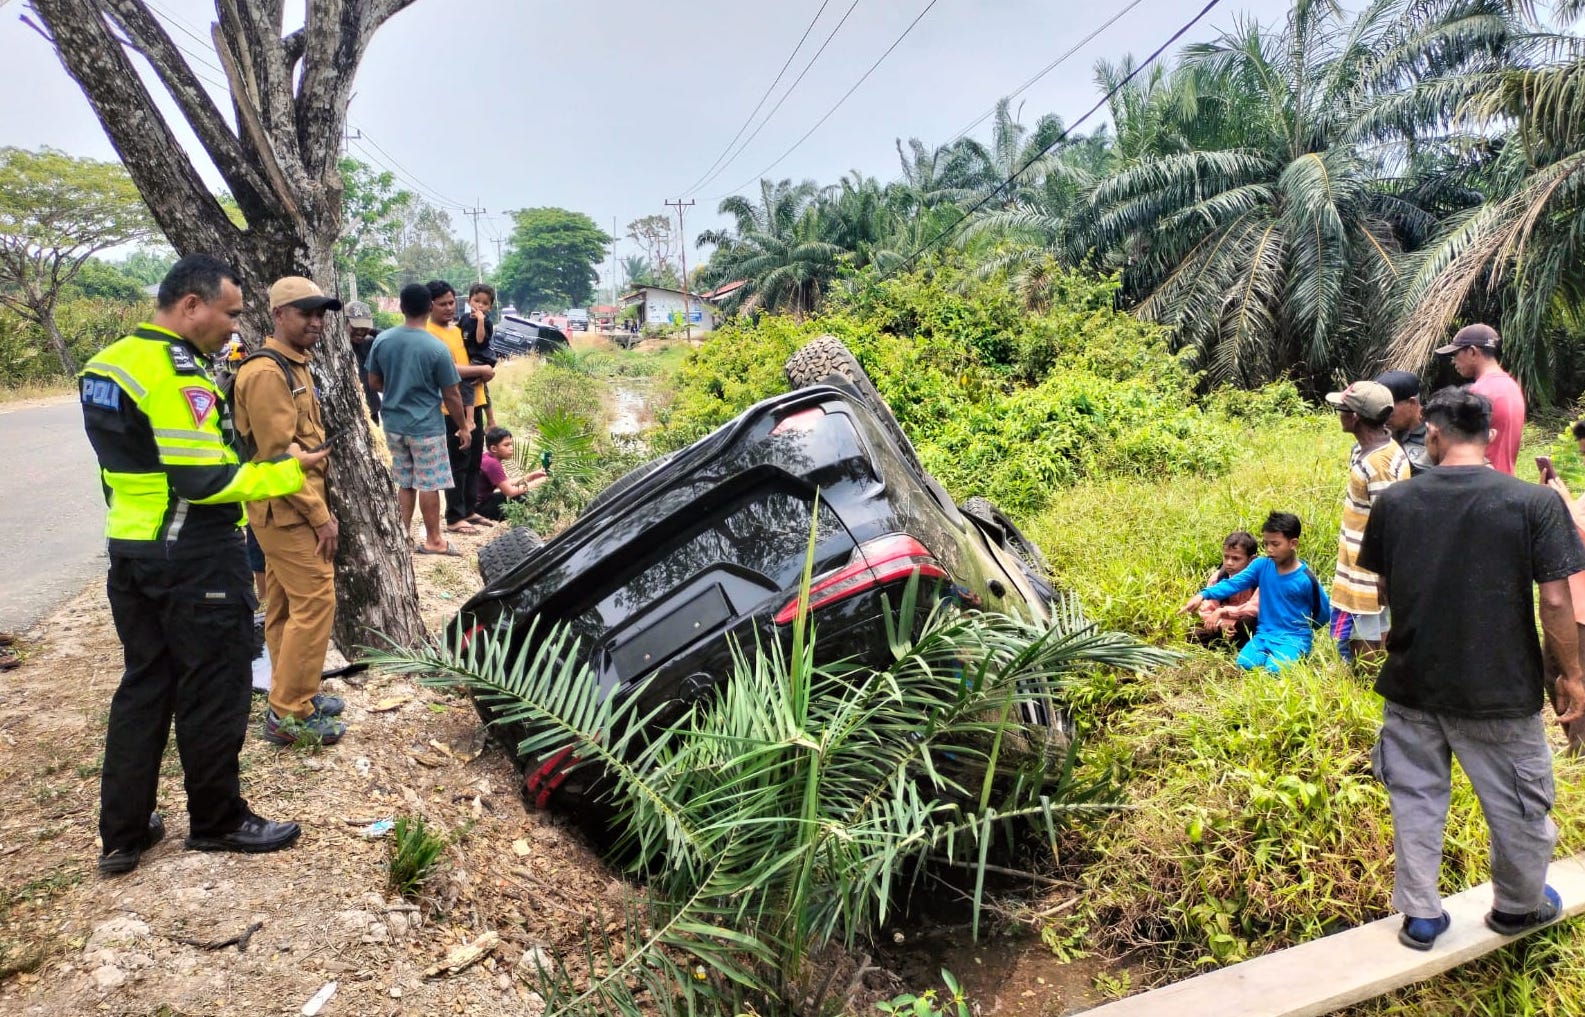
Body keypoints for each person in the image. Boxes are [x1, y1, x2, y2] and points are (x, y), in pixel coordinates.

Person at [79, 254, 325, 875]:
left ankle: (124, 831)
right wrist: (294, 469)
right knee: (214, 687)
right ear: (191, 305)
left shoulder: (105, 364)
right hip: (192, 556)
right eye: (231, 312)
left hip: (131, 550)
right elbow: (203, 477)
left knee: (145, 684)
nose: (235, 328)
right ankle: (218, 821)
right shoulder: (175, 374)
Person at [1357, 387, 1585, 950]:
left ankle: (1422, 916)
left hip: (1413, 682)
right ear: (1489, 436)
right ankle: (1518, 906)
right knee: (1519, 804)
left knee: (1415, 799)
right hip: (1500, 687)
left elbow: (1385, 587)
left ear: (1432, 434)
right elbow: (1555, 602)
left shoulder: (1396, 503)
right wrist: (1573, 676)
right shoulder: (1533, 503)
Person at [233, 277, 347, 747]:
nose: (316, 321)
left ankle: (291, 691)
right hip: (288, 509)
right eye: (306, 313)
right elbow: (277, 457)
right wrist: (320, 515)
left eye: (321, 313)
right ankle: (288, 713)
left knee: (283, 604)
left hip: (290, 506)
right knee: (317, 600)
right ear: (279, 314)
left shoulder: (293, 365)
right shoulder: (265, 373)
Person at [366, 283, 469, 556]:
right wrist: (463, 427)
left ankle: (402, 536)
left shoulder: (383, 340)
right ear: (428, 308)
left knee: (406, 481)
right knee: (429, 482)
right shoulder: (436, 348)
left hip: (394, 424)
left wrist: (398, 386)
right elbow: (452, 394)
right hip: (426, 426)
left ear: (401, 307)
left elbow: (374, 380)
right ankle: (434, 539)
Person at [1325, 380, 1410, 663]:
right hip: (1354, 563)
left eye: (1342, 408)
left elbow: (1389, 521)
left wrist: (1384, 575)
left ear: (1355, 416)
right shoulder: (1370, 451)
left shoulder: (1378, 464)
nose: (1339, 413)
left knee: (1368, 636)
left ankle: (1365, 689)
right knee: (1351, 632)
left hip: (1369, 570)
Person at [1181, 512, 1328, 673]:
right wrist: (1202, 595)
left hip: (1294, 638)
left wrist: (1301, 631)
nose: (1269, 549)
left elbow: (1323, 614)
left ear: (1293, 543)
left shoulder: (1306, 578)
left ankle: (1296, 653)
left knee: (1275, 671)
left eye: (1275, 544)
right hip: (1263, 636)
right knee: (1245, 664)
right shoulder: (1261, 566)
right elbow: (1233, 583)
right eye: (1266, 544)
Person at [425, 281, 496, 534]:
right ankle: (454, 516)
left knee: (474, 459)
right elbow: (447, 370)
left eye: (451, 302)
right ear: (429, 305)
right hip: (449, 408)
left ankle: (469, 509)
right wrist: (482, 370)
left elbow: (478, 352)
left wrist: (485, 372)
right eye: (442, 304)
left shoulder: (456, 330)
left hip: (472, 401)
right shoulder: (428, 333)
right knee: (457, 461)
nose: (448, 308)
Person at [1540, 416, 1585, 754]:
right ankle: (1574, 743)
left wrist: (1566, 506)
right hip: (1572, 604)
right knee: (1552, 672)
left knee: (1578, 679)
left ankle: (1580, 752)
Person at [1438, 323, 1524, 475]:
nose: (1454, 362)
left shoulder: (1478, 393)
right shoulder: (1512, 386)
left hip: (1482, 485)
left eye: (1456, 354)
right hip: (1506, 481)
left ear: (1472, 352)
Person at [1190, 531, 1260, 648]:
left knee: (1248, 621)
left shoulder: (1261, 580)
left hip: (1249, 625)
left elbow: (1256, 608)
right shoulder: (1218, 578)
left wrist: (1228, 618)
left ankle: (1237, 645)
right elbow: (1208, 611)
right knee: (1192, 634)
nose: (1229, 563)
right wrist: (1221, 624)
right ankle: (1232, 644)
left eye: (1236, 558)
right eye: (1226, 557)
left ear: (1251, 559)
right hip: (1223, 627)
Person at [474, 427, 549, 521]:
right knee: (524, 496)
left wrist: (530, 476)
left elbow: (504, 482)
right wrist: (537, 483)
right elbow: (510, 492)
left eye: (511, 444)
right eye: (506, 445)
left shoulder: (487, 457)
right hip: (479, 508)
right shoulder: (492, 464)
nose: (511, 448)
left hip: (477, 504)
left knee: (521, 493)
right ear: (493, 448)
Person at [457, 283, 499, 429]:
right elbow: (456, 334)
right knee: (481, 387)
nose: (480, 305)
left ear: (490, 307)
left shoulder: (487, 322)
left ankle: (470, 420)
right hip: (472, 356)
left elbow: (480, 340)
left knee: (467, 380)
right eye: (477, 301)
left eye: (485, 303)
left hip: (482, 357)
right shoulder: (464, 319)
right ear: (469, 301)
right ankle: (491, 420)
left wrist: (480, 321)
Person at [1375, 370, 1431, 476]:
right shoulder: (1379, 434)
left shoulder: (1437, 434)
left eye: (1388, 409)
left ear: (1412, 403)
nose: (1382, 416)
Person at [345, 300, 381, 425]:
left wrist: (370, 331)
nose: (360, 331)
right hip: (348, 413)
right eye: (355, 326)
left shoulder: (369, 343)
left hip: (371, 409)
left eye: (364, 327)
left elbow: (388, 338)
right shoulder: (337, 348)